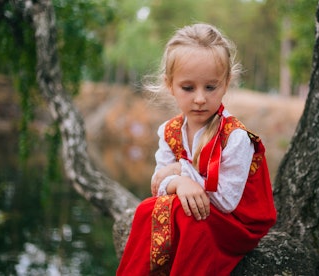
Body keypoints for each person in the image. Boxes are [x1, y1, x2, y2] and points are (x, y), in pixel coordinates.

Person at [116, 23, 276, 276]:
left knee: (185, 214)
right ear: (170, 85)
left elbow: (225, 202)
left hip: (239, 222)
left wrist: (182, 172)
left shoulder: (234, 137)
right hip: (201, 208)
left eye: (210, 87)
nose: (200, 98)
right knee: (147, 209)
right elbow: (158, 184)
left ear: (226, 84)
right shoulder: (169, 131)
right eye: (188, 88)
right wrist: (179, 183)